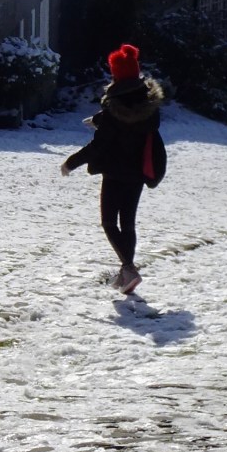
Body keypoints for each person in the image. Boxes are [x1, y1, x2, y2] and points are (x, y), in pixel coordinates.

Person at [61, 43, 164, 294]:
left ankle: (128, 268)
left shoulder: (113, 111)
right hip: (137, 174)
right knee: (127, 223)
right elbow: (123, 120)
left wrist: (71, 162)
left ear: (116, 74)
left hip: (115, 175)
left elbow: (99, 145)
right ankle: (125, 273)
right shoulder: (149, 108)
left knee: (108, 222)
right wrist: (98, 119)